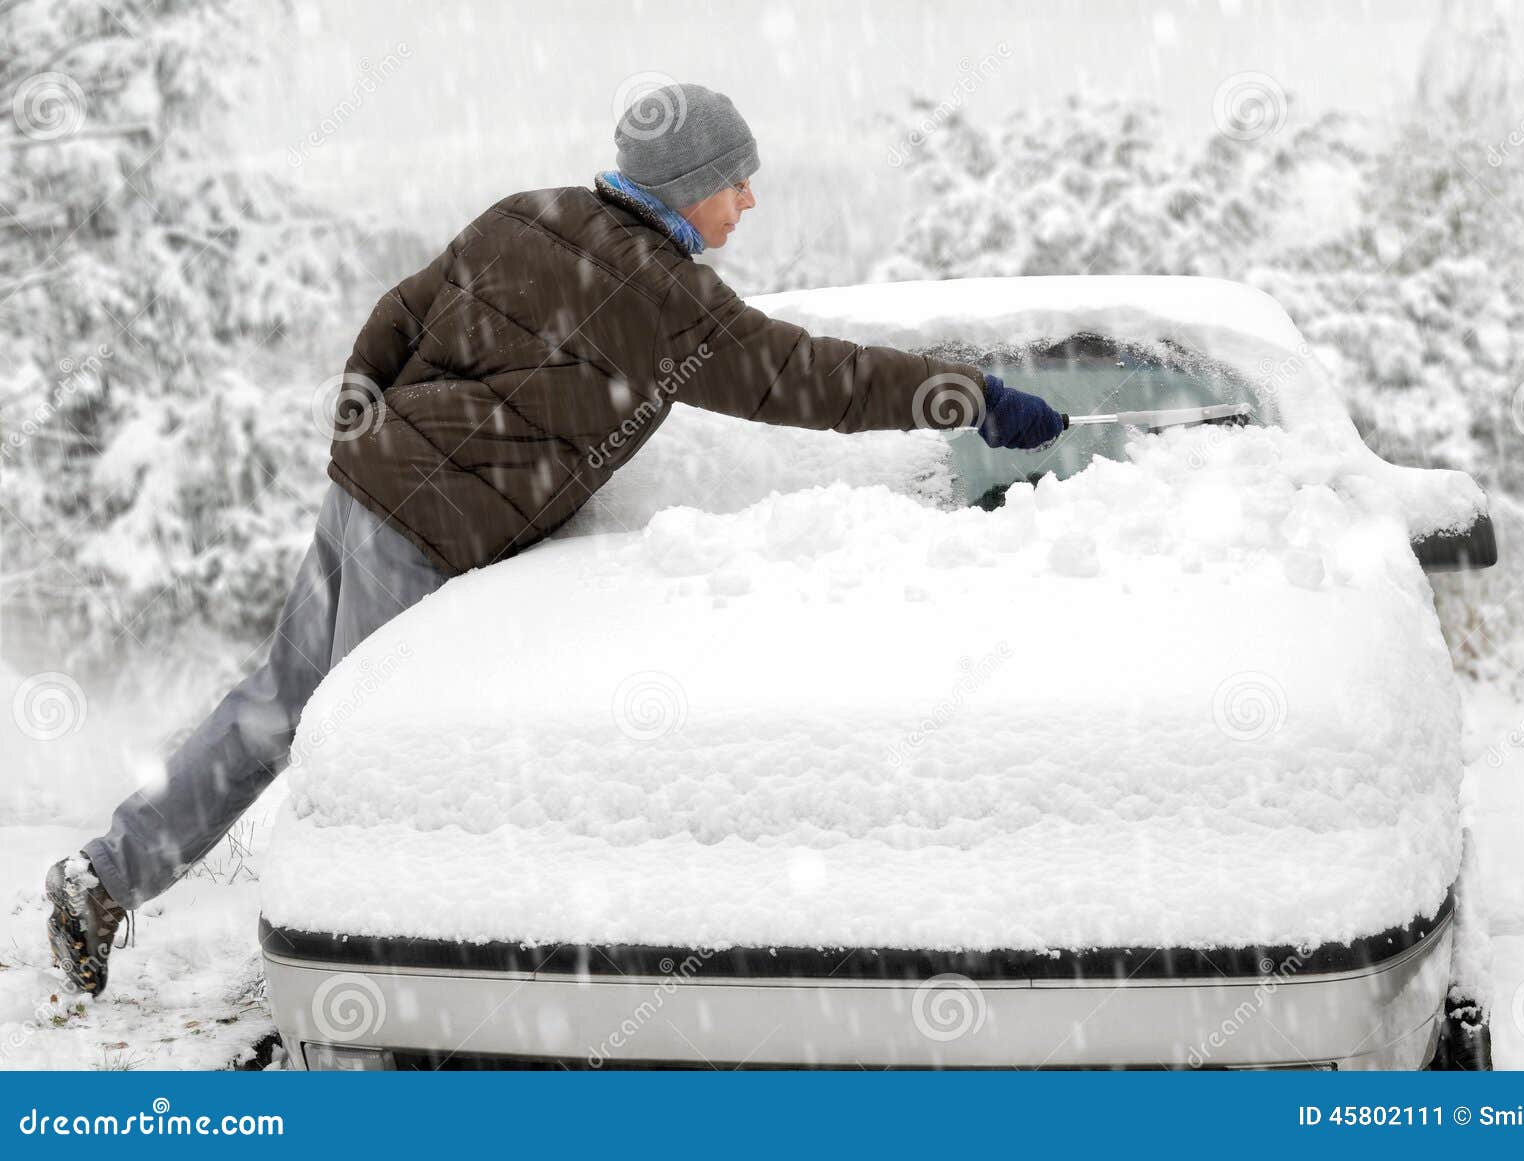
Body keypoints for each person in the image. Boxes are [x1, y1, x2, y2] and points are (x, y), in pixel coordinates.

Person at [45, 83, 1062, 995]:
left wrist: (363, 426)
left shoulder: (522, 215)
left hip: (360, 494)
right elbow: (815, 380)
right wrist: (965, 398)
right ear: (690, 182)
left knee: (275, 706)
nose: (748, 202)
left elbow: (396, 316)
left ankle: (107, 875)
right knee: (365, 760)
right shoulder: (674, 303)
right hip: (426, 532)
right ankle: (367, 976)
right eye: (737, 184)